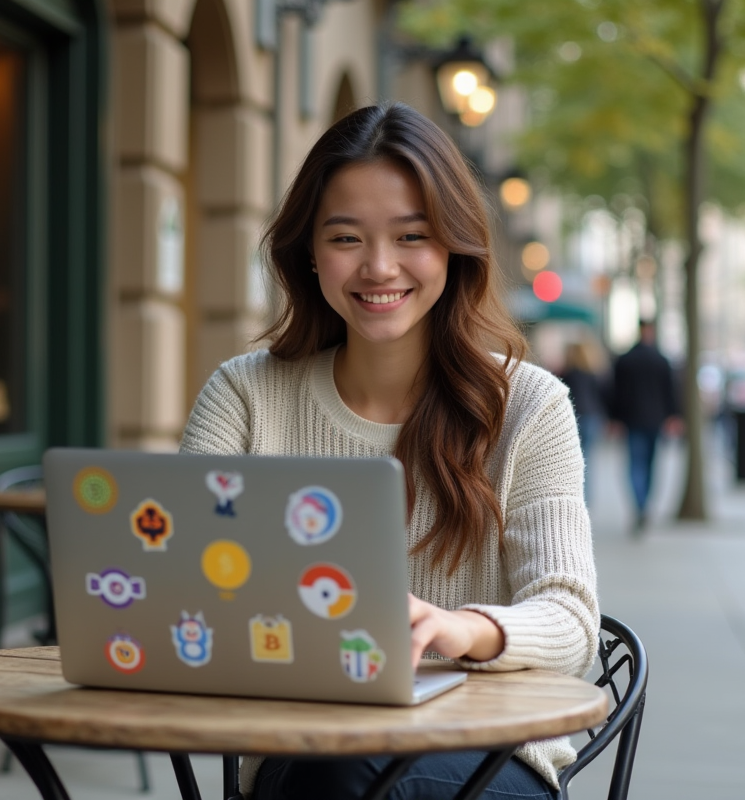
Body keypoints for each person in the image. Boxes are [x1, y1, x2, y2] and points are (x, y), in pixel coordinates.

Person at [180, 103, 599, 800]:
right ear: (309, 252)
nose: (378, 267)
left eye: (412, 236)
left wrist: (459, 628)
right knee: (339, 775)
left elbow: (571, 619)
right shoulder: (244, 395)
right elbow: (183, 589)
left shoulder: (530, 405)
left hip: (489, 759)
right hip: (305, 751)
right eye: (346, 237)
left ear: (454, 247)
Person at [609, 318, 679, 531]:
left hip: (632, 420)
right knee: (649, 465)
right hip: (655, 420)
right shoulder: (661, 360)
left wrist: (615, 418)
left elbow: (615, 393)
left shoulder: (625, 360)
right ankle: (644, 504)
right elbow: (671, 391)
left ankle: (640, 505)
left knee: (636, 464)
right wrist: (673, 416)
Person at [559, 339, 610, 503]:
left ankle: (577, 494)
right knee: (588, 459)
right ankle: (586, 496)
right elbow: (601, 397)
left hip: (574, 417)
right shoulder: (592, 374)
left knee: (573, 459)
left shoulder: (567, 374)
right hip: (592, 417)